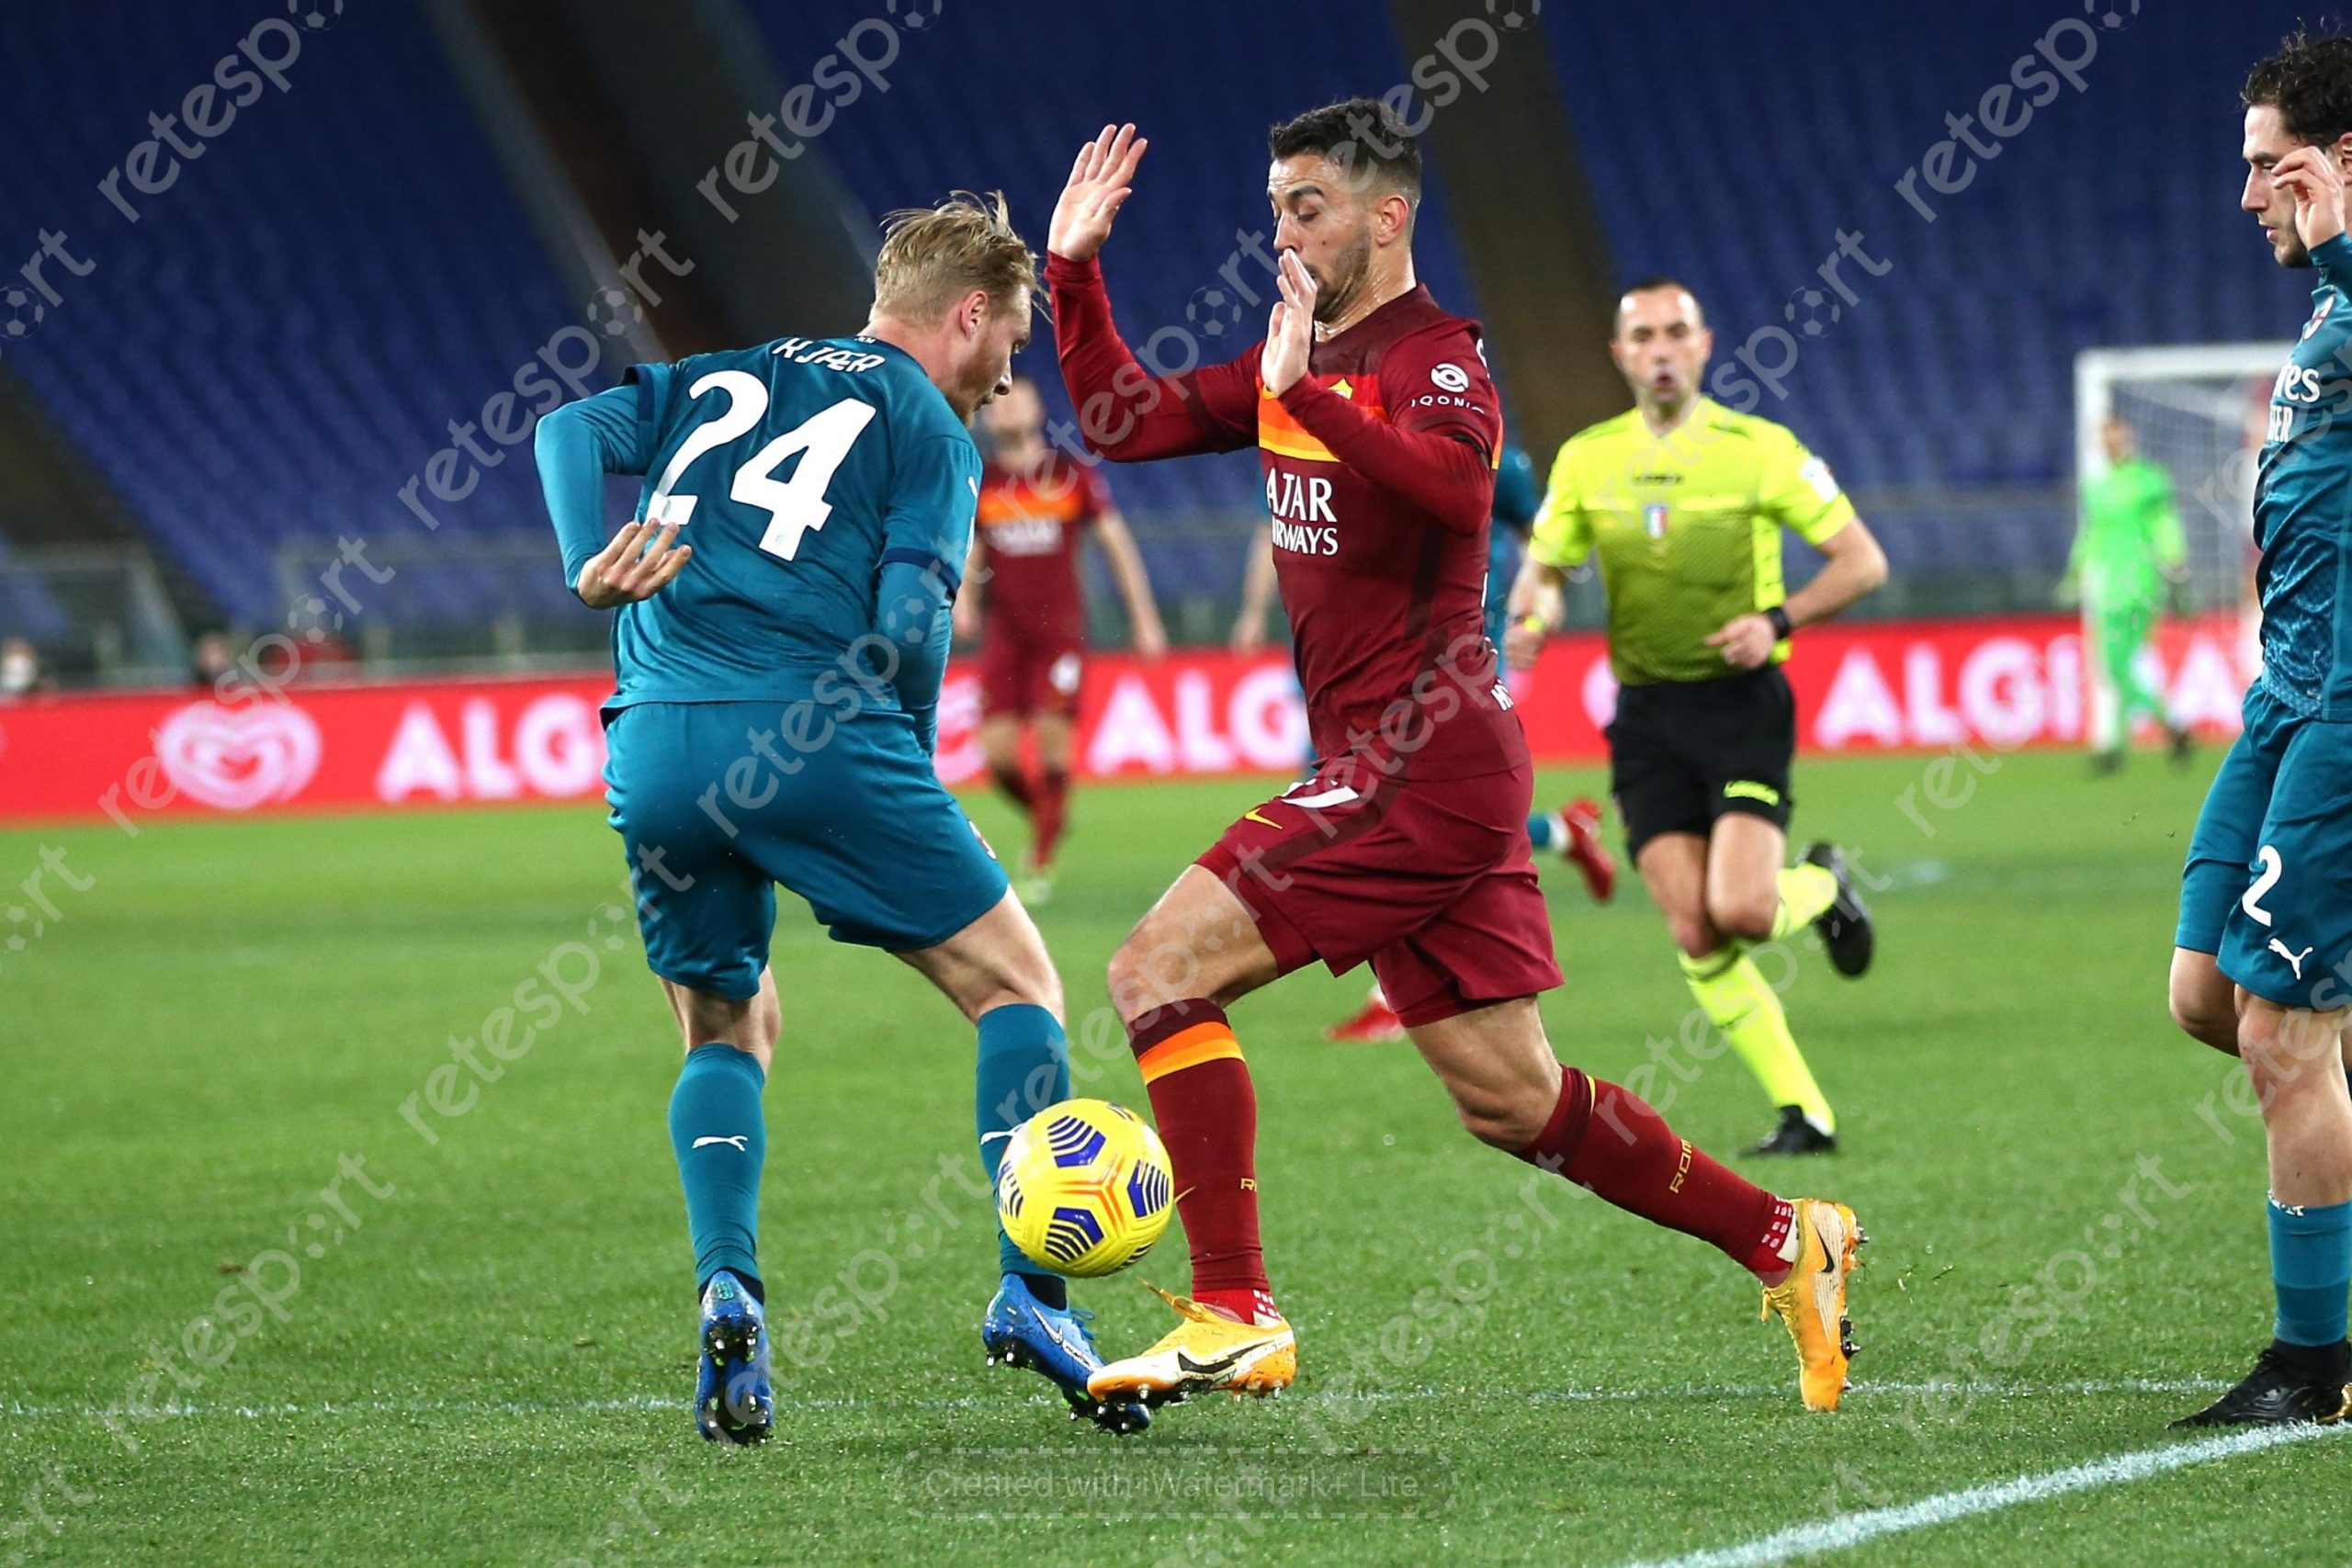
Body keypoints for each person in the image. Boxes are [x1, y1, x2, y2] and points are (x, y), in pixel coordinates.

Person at [1048, 107, 1863, 1413]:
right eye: (1274, 209)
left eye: (1307, 207)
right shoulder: (1298, 354)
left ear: (1385, 216)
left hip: (1416, 759)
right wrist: (1074, 270)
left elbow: (1452, 489)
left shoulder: (1437, 357)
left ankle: (1234, 1310)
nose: (1283, 234)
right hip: (1423, 769)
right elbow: (1118, 419)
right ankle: (1786, 1236)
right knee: (1513, 1100)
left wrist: (1303, 392)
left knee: (1157, 967)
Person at [535, 192, 1148, 1444]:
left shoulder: (723, 374)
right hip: (815, 736)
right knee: (1017, 984)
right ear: (966, 315)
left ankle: (729, 1290)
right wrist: (907, 774)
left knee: (726, 1022)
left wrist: (580, 563)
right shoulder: (926, 424)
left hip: (653, 739)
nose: (1008, 375)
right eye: (1010, 341)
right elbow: (911, 625)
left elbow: (564, 427)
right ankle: (1033, 1297)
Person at [1507, 280, 1886, 1157]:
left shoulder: (1759, 451)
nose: (1661, 351)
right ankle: (1806, 1114)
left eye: (1676, 333)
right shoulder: (1588, 460)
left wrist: (1778, 621)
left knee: (1744, 909)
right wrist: (1535, 616)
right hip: (1646, 716)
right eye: (1643, 336)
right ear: (1620, 355)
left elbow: (1863, 562)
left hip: (1740, 706)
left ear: (1705, 345)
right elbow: (1547, 570)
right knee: (1693, 927)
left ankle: (1821, 886)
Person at [2164, 29, 2352, 1427]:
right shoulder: (2328, 312)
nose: (2245, 197)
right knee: (2204, 996)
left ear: (2337, 162)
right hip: (2283, 699)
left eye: (2265, 166)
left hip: (2346, 709)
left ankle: (2311, 1363)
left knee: (2282, 1036)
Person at [1323, 439, 1613, 1044]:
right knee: (1367, 810)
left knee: (1394, 815)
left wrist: (1537, 610)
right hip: (1362, 659)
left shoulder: (1490, 453)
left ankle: (1394, 997)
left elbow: (1545, 548)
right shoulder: (1349, 433)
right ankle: (1561, 833)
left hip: (1455, 665)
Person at [955, 372, 1167, 902]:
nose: (1007, 410)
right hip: (1005, 635)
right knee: (999, 757)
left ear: (1038, 410)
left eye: (1017, 401)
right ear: (987, 416)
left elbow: (1116, 545)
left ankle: (1042, 854)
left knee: (1053, 750)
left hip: (1059, 635)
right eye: (999, 404)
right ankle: (1050, 816)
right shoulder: (984, 480)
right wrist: (965, 601)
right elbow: (975, 549)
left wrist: (1143, 618)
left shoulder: (1070, 474)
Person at [2064, 414, 2192, 773]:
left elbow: (2165, 526)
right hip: (2109, 586)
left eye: (2116, 437)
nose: (2111, 444)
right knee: (2122, 667)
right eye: (2106, 438)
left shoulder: (2150, 482)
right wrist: (2075, 571)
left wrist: (2177, 567)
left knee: (2115, 667)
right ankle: (2117, 748)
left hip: (2139, 584)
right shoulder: (2096, 486)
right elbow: (2092, 534)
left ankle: (2168, 723)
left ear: (2129, 439)